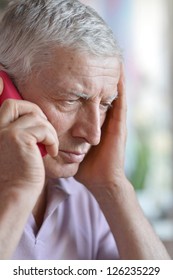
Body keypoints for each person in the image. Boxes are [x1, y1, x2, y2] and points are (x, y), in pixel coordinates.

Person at [0, 0, 170, 260]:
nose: (93, 135)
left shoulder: (87, 195)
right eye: (71, 100)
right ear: (5, 89)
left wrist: (113, 187)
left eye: (105, 104)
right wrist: (17, 193)